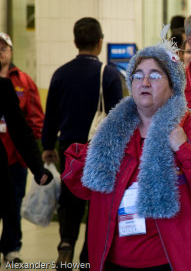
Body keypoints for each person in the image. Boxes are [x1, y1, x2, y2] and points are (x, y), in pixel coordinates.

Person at [61, 38, 191, 271]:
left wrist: (184, 148)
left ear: (173, 85)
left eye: (155, 76)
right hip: (113, 260)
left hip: (172, 261)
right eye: (138, 76)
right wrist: (99, 144)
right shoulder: (115, 132)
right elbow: (80, 185)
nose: (145, 82)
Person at [41, 17, 122, 269]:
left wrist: (47, 146)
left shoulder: (60, 74)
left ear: (75, 42)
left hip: (68, 148)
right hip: (99, 150)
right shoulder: (109, 75)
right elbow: (118, 117)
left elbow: (51, 115)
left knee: (70, 199)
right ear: (100, 43)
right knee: (96, 203)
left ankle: (66, 243)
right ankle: (88, 256)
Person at [0, 32, 45, 263]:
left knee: (13, 204)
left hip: (15, 157)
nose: (0, 53)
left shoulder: (23, 81)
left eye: (3, 48)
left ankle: (11, 248)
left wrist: (34, 154)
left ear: (11, 51)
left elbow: (34, 118)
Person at [0, 77, 52, 263]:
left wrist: (38, 169)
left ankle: (11, 248)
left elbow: (20, 129)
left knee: (11, 207)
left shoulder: (4, 86)